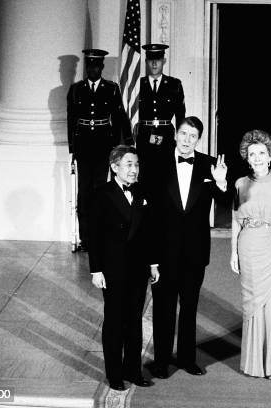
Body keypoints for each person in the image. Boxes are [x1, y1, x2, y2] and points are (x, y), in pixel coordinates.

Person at [147, 116, 228, 379]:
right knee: (163, 309)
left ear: (198, 139)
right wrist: (152, 257)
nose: (186, 140)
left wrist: (220, 182)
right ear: (175, 135)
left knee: (190, 307)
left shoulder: (210, 164)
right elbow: (149, 215)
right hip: (163, 251)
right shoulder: (156, 161)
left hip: (195, 251)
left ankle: (187, 359)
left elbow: (226, 201)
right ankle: (160, 361)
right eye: (183, 134)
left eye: (192, 136)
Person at [88, 145, 159, 391]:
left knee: (134, 321)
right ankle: (114, 374)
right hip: (113, 269)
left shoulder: (142, 191)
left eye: (136, 164)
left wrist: (153, 263)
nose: (134, 169)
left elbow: (149, 232)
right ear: (114, 167)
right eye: (129, 164)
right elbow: (93, 236)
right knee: (115, 321)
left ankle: (133, 370)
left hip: (138, 268)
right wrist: (96, 270)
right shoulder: (101, 194)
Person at [230, 130, 271, 379]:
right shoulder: (240, 184)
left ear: (270, 156)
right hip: (248, 247)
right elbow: (236, 221)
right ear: (247, 157)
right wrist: (233, 253)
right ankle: (254, 363)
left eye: (262, 153)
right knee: (253, 305)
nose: (257, 158)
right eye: (252, 153)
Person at [67, 49, 132, 251]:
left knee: (100, 192)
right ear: (86, 67)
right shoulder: (76, 90)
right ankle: (86, 239)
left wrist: (128, 141)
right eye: (90, 65)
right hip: (84, 147)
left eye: (96, 65)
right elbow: (71, 121)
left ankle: (99, 235)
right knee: (84, 194)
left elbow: (120, 117)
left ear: (102, 67)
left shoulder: (111, 89)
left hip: (104, 146)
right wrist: (72, 149)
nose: (93, 69)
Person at [136, 43, 186, 180]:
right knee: (144, 176)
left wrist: (180, 139)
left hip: (166, 136)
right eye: (151, 59)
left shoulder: (174, 84)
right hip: (144, 136)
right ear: (146, 61)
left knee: (165, 175)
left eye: (157, 59)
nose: (154, 64)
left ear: (163, 61)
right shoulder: (138, 85)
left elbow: (180, 115)